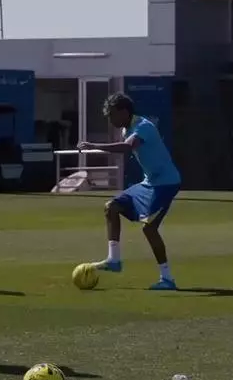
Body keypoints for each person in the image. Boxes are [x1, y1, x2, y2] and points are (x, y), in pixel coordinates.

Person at [77, 92, 182, 290]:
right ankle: (113, 260)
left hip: (166, 183)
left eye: (113, 115)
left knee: (149, 228)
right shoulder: (128, 129)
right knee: (112, 207)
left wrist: (93, 145)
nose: (111, 120)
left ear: (124, 112)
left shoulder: (143, 126)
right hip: (149, 183)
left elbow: (127, 148)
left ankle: (167, 279)